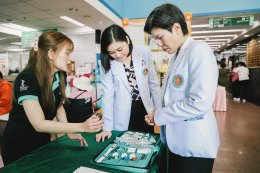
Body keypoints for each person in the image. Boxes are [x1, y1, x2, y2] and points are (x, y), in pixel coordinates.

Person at [1, 31, 103, 165]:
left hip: (42, 141)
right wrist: (81, 127)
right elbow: (39, 124)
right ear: (51, 54)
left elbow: (58, 106)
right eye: (67, 53)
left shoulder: (60, 75)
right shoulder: (27, 78)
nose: (69, 59)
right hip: (19, 144)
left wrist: (68, 132)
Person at [144, 3, 219, 173]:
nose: (158, 43)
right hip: (178, 142)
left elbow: (199, 102)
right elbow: (173, 96)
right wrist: (157, 114)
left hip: (194, 146)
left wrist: (160, 116)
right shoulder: (177, 55)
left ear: (176, 28)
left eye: (160, 37)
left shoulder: (199, 51)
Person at [96, 24, 160, 142]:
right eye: (111, 52)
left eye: (120, 49)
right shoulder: (106, 63)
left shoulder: (144, 52)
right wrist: (107, 128)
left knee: (147, 144)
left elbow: (153, 83)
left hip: (144, 109)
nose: (117, 55)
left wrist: (159, 111)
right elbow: (107, 96)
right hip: (122, 113)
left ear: (127, 39)